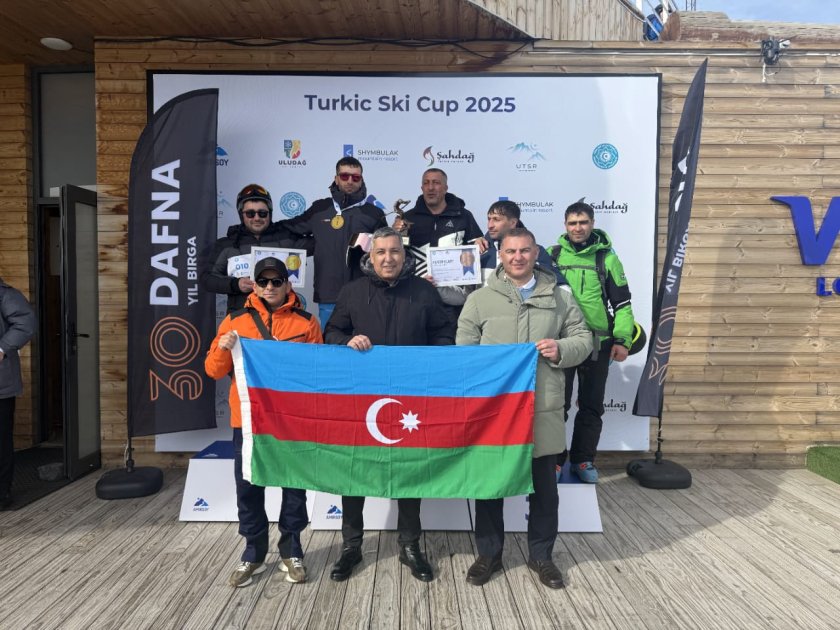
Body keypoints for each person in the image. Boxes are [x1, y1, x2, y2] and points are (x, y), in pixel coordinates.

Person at [456, 228, 591, 589]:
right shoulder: (480, 299)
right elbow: (464, 350)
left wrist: (561, 349)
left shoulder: (560, 298)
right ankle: (489, 554)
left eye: (525, 251)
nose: (518, 257)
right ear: (500, 255)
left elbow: (583, 339)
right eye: (511, 251)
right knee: (490, 488)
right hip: (494, 412)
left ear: (536, 253)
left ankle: (542, 556)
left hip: (541, 410)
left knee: (544, 490)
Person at [324, 226, 453, 583]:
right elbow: (331, 332)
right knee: (354, 471)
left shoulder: (424, 291)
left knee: (408, 471)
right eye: (381, 252)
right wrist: (348, 341)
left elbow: (444, 334)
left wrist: (430, 357)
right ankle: (351, 546)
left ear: (404, 254)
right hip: (362, 399)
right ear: (371, 256)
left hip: (410, 399)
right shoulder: (352, 291)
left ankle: (410, 546)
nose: (388, 258)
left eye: (394, 251)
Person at [205, 257, 323, 587]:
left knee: (294, 484)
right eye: (263, 281)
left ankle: (292, 548)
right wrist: (223, 349)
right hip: (248, 420)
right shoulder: (234, 321)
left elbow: (317, 371)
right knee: (249, 486)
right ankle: (253, 551)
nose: (270, 287)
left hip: (291, 420)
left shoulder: (307, 322)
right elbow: (213, 370)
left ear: (288, 284)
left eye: (276, 281)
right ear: (254, 286)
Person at [551, 201, 636, 483]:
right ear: (565, 225)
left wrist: (622, 340)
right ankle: (554, 461)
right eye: (572, 223)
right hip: (562, 343)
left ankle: (583, 460)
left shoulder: (607, 259)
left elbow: (622, 304)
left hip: (597, 345)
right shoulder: (552, 255)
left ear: (592, 223)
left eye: (583, 222)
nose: (578, 228)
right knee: (556, 407)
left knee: (591, 406)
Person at [283, 156, 386, 327]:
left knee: (364, 341)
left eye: (356, 177)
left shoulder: (374, 213)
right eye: (344, 176)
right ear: (336, 179)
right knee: (330, 341)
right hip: (328, 295)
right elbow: (290, 228)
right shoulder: (320, 209)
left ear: (361, 180)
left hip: (365, 294)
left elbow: (384, 251)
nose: (350, 181)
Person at [393, 168, 486, 326]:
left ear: (445, 188)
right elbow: (397, 254)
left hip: (452, 302)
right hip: (416, 297)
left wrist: (479, 243)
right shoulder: (407, 218)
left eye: (436, 183)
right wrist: (395, 234)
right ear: (421, 187)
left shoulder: (464, 216)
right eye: (426, 183)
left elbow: (475, 249)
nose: (431, 187)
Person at [202, 183, 297, 313]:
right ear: (241, 215)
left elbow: (320, 242)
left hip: (282, 318)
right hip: (241, 317)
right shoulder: (226, 245)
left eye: (262, 213)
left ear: (270, 214)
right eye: (250, 213)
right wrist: (236, 284)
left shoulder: (287, 240)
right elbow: (207, 279)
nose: (257, 218)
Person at [0, 278, 35, 510]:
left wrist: (2, 348)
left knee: (1, 441)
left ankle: (2, 494)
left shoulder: (4, 294)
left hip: (1, 386)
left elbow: (26, 322)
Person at [480, 200, 565, 285]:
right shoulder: (479, 249)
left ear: (513, 223)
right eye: (489, 219)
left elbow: (559, 284)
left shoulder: (536, 251)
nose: (490, 225)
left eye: (496, 219)